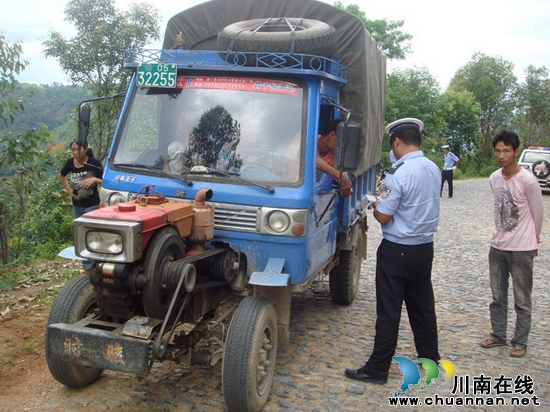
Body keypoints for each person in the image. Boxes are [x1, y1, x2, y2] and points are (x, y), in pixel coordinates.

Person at [345, 118, 441, 384]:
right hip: (423, 249)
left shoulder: (398, 174)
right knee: (422, 305)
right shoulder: (433, 168)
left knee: (389, 311)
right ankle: (430, 357)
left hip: (397, 251)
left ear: (397, 142)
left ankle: (377, 369)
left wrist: (375, 204)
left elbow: (384, 217)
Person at [480, 130, 543, 358]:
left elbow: (537, 213)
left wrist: (534, 239)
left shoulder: (528, 180)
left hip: (522, 248)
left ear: (516, 151)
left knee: (522, 298)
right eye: (498, 150)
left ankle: (520, 341)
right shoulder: (494, 178)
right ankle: (498, 334)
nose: (502, 155)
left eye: (506, 150)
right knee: (497, 295)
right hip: (497, 246)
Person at [59, 140, 103, 274]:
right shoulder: (70, 163)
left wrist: (95, 180)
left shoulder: (93, 163)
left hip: (92, 205)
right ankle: (87, 270)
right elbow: (62, 176)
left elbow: (106, 181)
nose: (75, 153)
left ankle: (97, 265)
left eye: (78, 149)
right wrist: (69, 192)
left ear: (85, 149)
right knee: (82, 237)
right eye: (72, 150)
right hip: (77, 206)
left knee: (92, 236)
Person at [316, 118, 353, 197]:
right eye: (341, 144)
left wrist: (346, 187)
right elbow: (309, 158)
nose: (342, 149)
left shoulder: (334, 156)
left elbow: (344, 178)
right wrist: (338, 175)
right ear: (332, 135)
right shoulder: (305, 139)